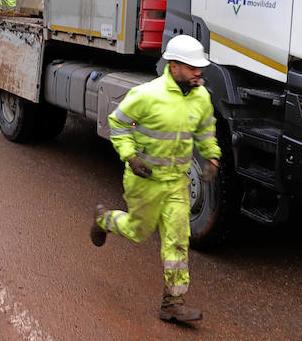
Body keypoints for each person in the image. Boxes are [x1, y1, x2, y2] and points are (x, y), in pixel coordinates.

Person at [91, 35, 220, 325]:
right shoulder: (147, 95)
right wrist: (131, 157)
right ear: (174, 66)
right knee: (138, 232)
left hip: (176, 182)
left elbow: (205, 129)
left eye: (200, 67)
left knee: (176, 240)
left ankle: (172, 303)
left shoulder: (201, 97)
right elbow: (118, 122)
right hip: (144, 181)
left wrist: (212, 156)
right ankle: (104, 220)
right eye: (192, 67)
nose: (199, 72)